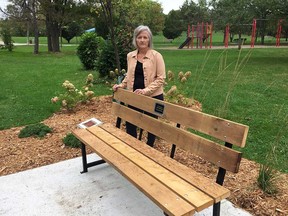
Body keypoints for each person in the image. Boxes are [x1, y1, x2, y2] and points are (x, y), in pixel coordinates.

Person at [113, 25, 166, 147]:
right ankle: (133, 147)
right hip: (134, 96)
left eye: (145, 37)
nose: (142, 40)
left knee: (151, 125)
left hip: (153, 97)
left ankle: (148, 148)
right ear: (135, 39)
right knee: (131, 122)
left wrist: (145, 91)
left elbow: (161, 78)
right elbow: (129, 75)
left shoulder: (156, 56)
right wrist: (121, 85)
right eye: (139, 37)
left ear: (149, 40)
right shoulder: (130, 56)